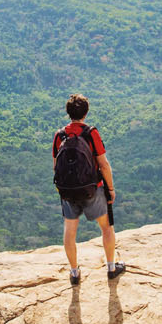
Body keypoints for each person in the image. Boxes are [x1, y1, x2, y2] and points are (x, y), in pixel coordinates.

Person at [52, 93, 122, 284]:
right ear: (86, 112)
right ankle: (111, 268)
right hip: (93, 190)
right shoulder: (91, 133)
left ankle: (74, 273)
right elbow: (104, 165)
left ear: (68, 113)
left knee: (70, 231)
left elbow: (55, 166)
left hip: (68, 191)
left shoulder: (60, 136)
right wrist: (111, 188)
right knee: (106, 228)